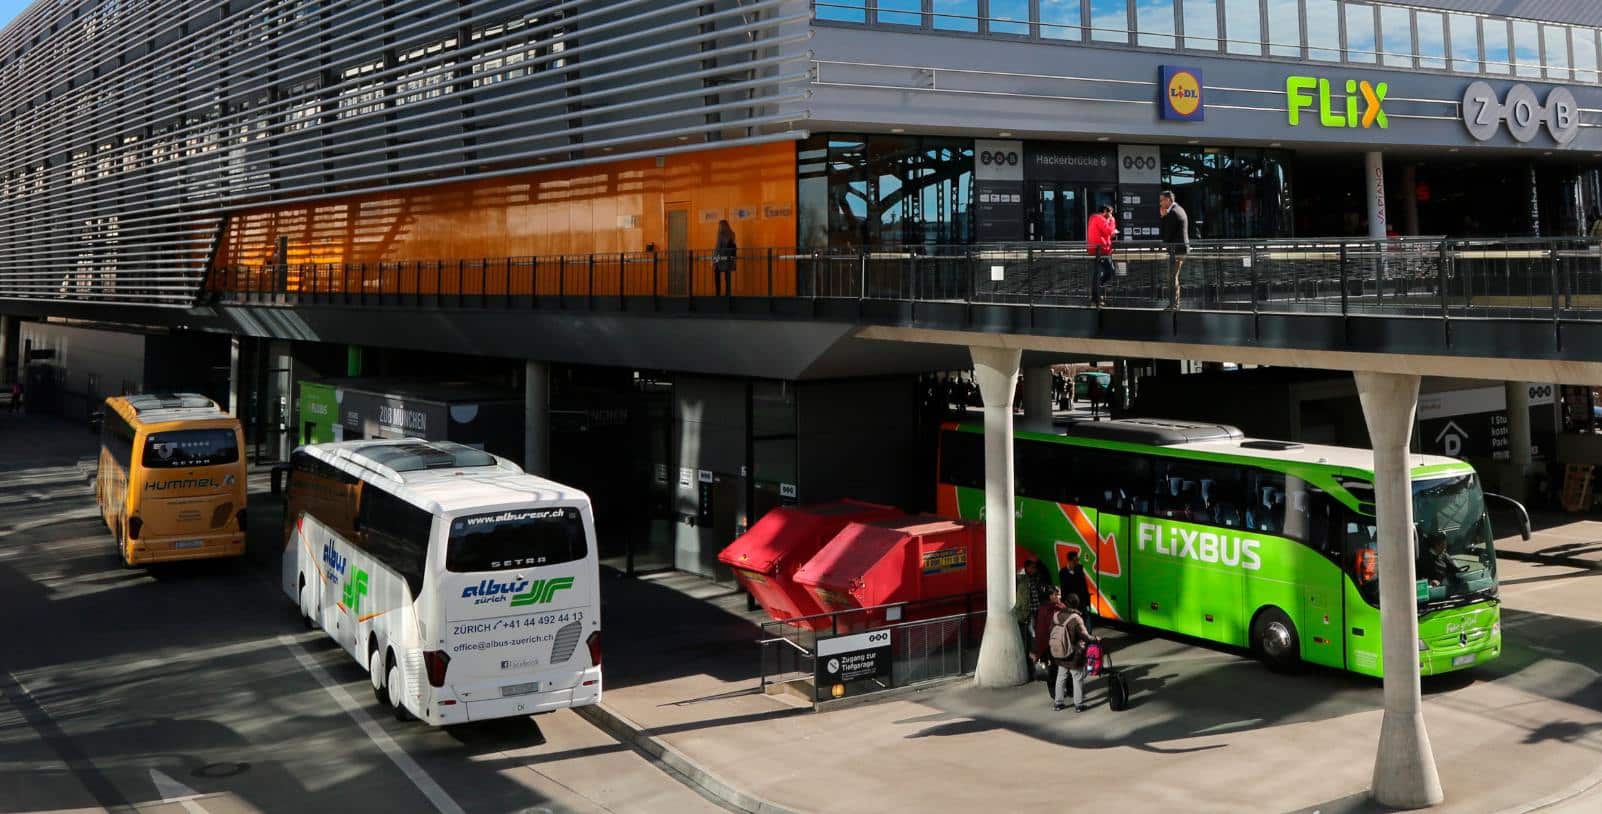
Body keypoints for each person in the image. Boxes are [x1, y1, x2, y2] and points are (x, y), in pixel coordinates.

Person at [1040, 591, 1100, 711]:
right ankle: (1078, 705)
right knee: (1077, 677)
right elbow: (1085, 636)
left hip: (1059, 651)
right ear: (1076, 604)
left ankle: (1058, 703)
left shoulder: (1057, 615)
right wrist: (1096, 639)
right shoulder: (1076, 618)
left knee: (1061, 676)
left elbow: (1051, 630)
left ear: (1066, 603)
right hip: (1073, 653)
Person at [1030, 586, 1069, 701]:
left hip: (1061, 644)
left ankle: (1064, 690)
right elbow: (1041, 631)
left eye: (1059, 594)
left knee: (1063, 668)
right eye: (1056, 595)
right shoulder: (1045, 610)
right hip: (1049, 646)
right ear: (1050, 596)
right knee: (1052, 670)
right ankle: (1055, 694)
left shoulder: (1061, 606)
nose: (1059, 597)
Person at [1159, 191, 1190, 310]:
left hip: (1177, 250)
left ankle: (1174, 304)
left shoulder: (1173, 212)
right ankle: (1175, 303)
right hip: (1180, 249)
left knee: (1172, 276)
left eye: (1162, 200)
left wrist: (1163, 217)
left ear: (1168, 200)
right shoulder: (1178, 209)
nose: (1160, 203)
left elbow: (1166, 234)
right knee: (1173, 276)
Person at [1086, 204, 1117, 307]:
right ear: (1105, 211)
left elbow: (1105, 232)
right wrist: (1112, 221)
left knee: (1097, 274)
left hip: (1096, 249)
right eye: (1110, 213)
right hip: (1101, 250)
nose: (1111, 215)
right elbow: (1109, 231)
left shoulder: (1093, 218)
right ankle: (1097, 291)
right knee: (1110, 270)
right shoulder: (1099, 218)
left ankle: (1096, 296)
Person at [1058, 550, 1090, 628]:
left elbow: (1084, 585)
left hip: (1082, 601)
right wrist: (1064, 602)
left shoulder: (1079, 568)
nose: (1077, 562)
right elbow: (1064, 588)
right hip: (1071, 603)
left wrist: (1087, 600)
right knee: (1074, 622)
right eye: (1075, 560)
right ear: (1070, 561)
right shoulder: (1063, 572)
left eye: (1078, 560)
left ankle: (1087, 637)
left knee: (1086, 620)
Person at [713, 220, 737, 296]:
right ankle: (728, 292)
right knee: (727, 276)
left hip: (720, 257)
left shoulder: (720, 234)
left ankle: (718, 293)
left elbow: (718, 247)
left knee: (717, 274)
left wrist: (715, 260)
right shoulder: (732, 234)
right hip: (729, 258)